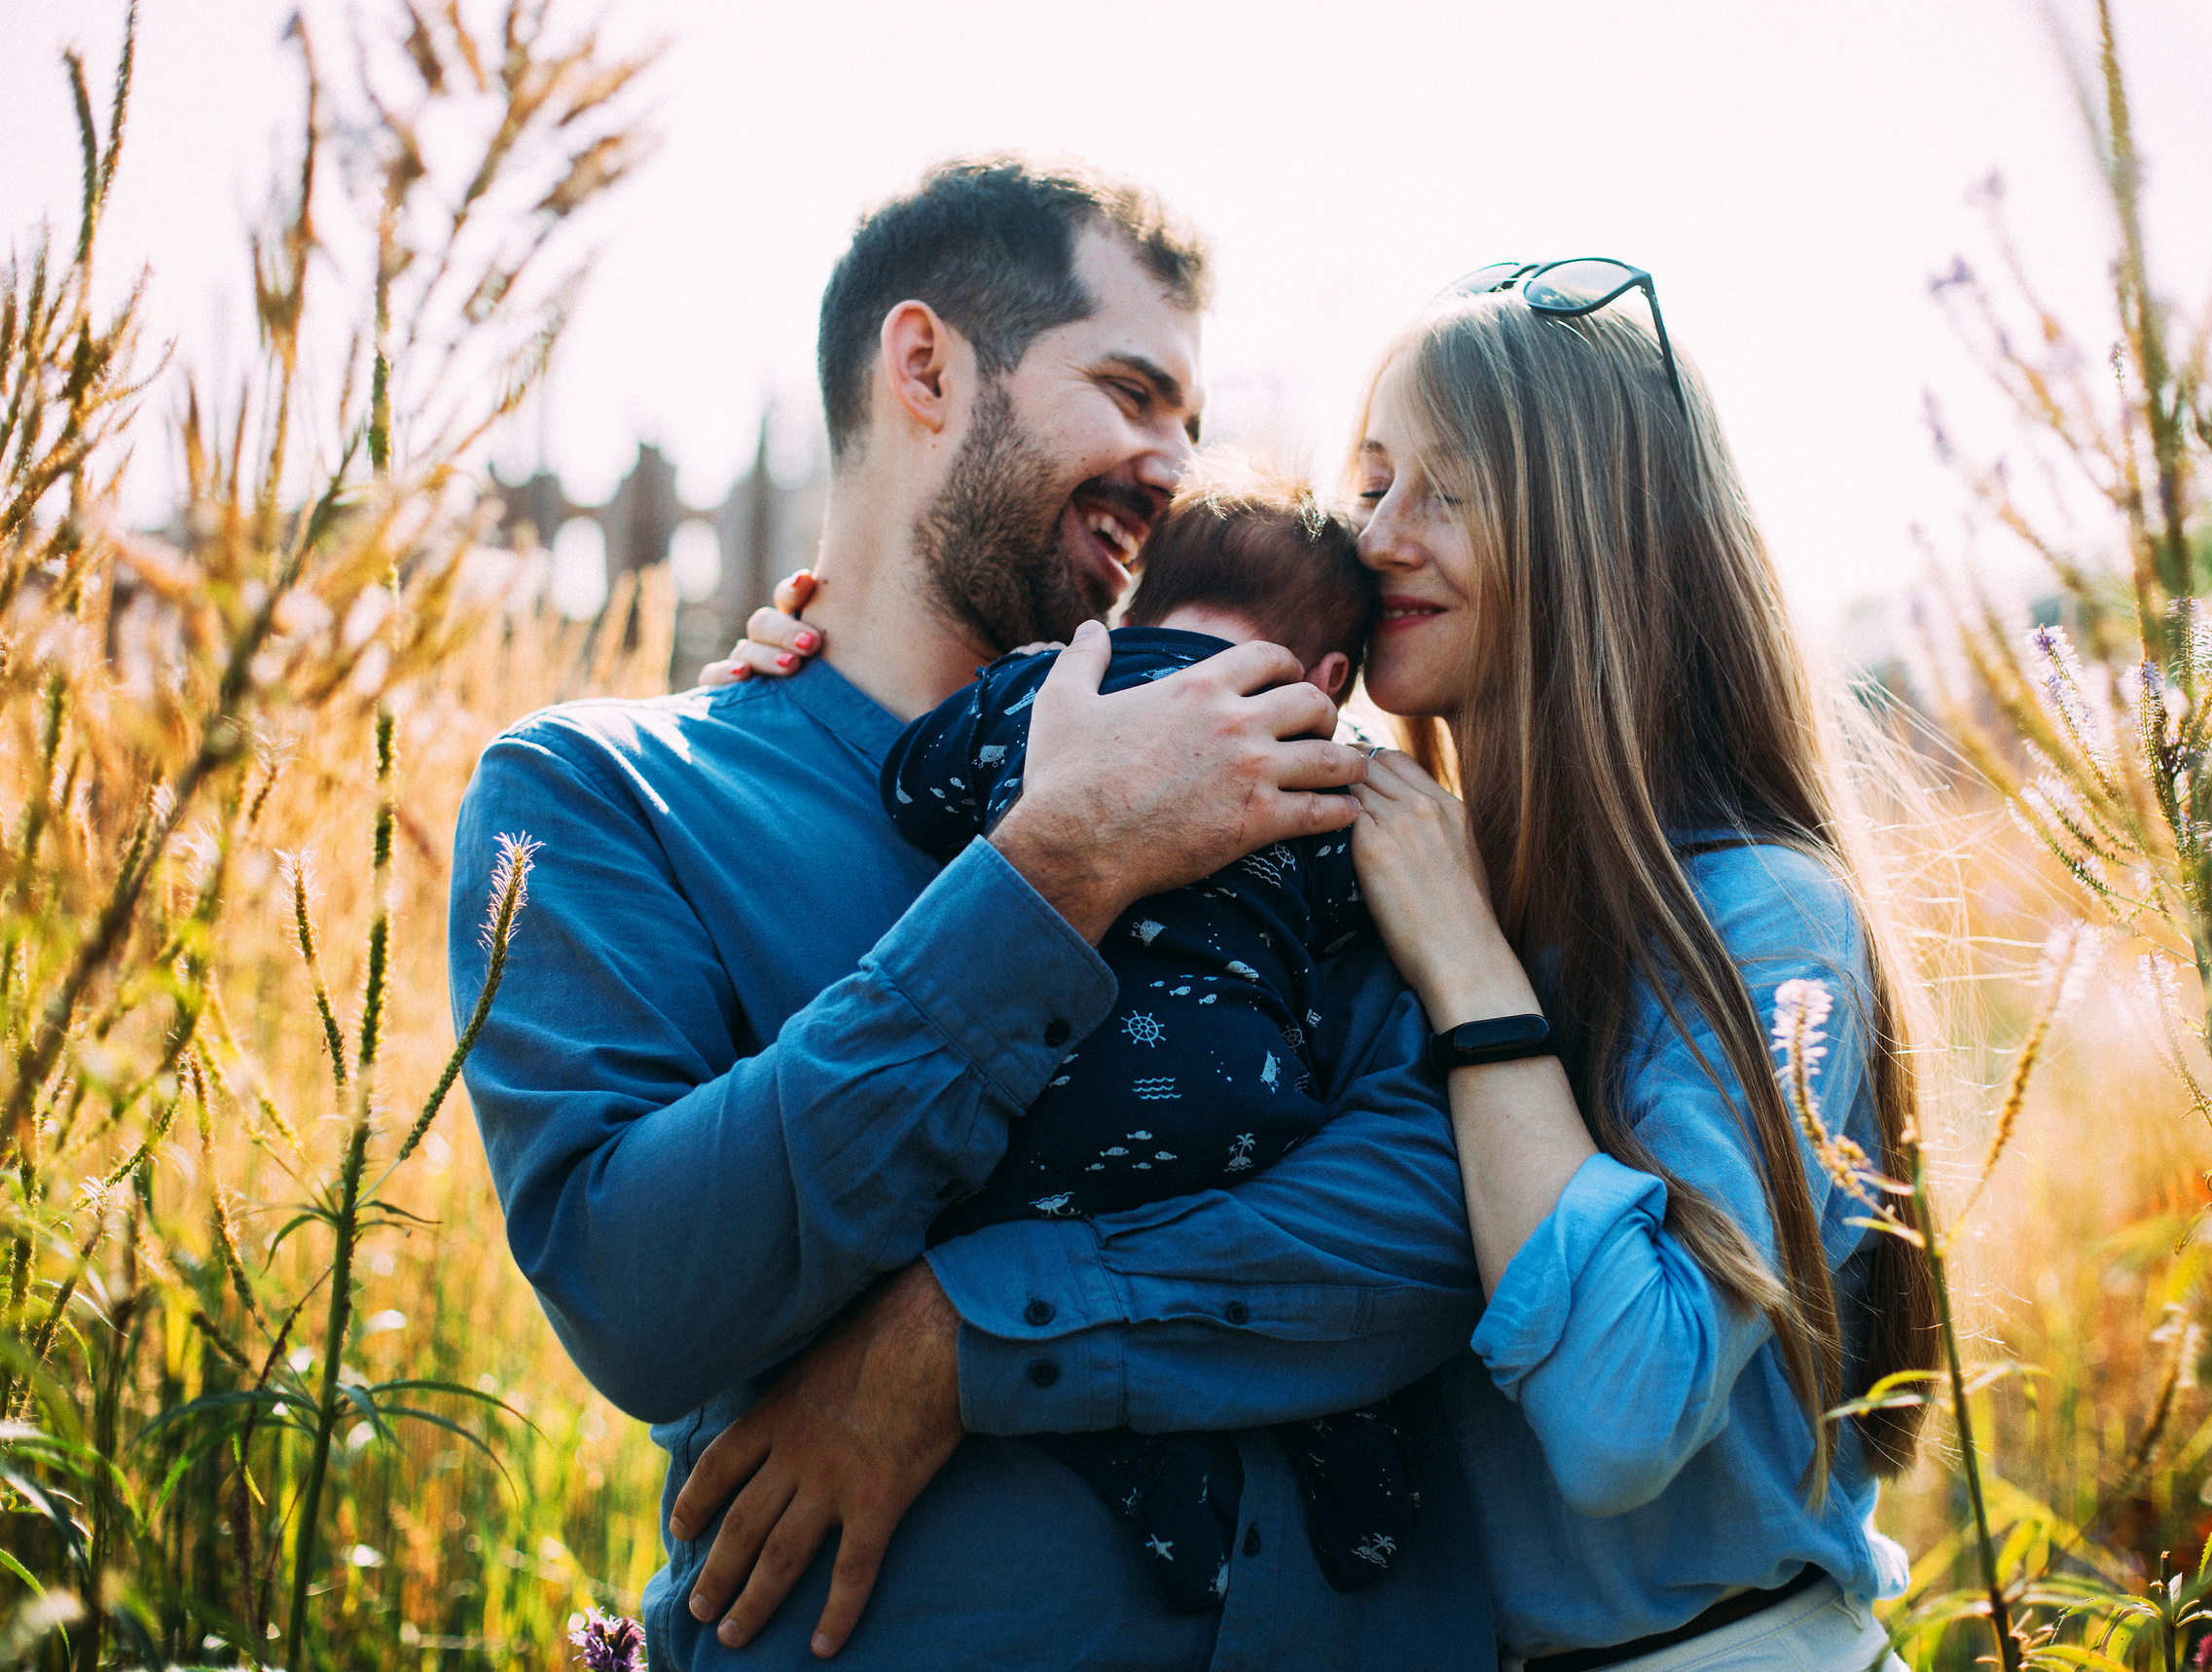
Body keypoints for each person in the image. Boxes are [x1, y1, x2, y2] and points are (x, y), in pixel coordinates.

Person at [720, 258, 1940, 1672]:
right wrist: (824, 668)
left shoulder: (1760, 921)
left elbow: (1621, 1419)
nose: (1376, 538)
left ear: (1599, 532)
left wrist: (1471, 968)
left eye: (1448, 490)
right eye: (1371, 482)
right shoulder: (1383, 854)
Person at [448, 156, 1495, 1672]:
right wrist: (1059, 866)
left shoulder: (1283, 768)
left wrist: (959, 1336)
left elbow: (1440, 1217)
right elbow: (642, 1287)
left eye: (1189, 425)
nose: (1172, 465)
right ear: (927, 365)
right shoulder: (604, 798)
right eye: (1133, 394)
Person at [887, 473, 1415, 1612]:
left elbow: (912, 783)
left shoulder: (1042, 685)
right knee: (1263, 1275)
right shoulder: (1316, 753)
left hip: (1043, 1101)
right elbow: (1355, 911)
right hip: (1243, 1104)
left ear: (1133, 606)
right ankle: (1347, 1442)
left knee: (1045, 1254)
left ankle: (1150, 1489)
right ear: (1330, 679)